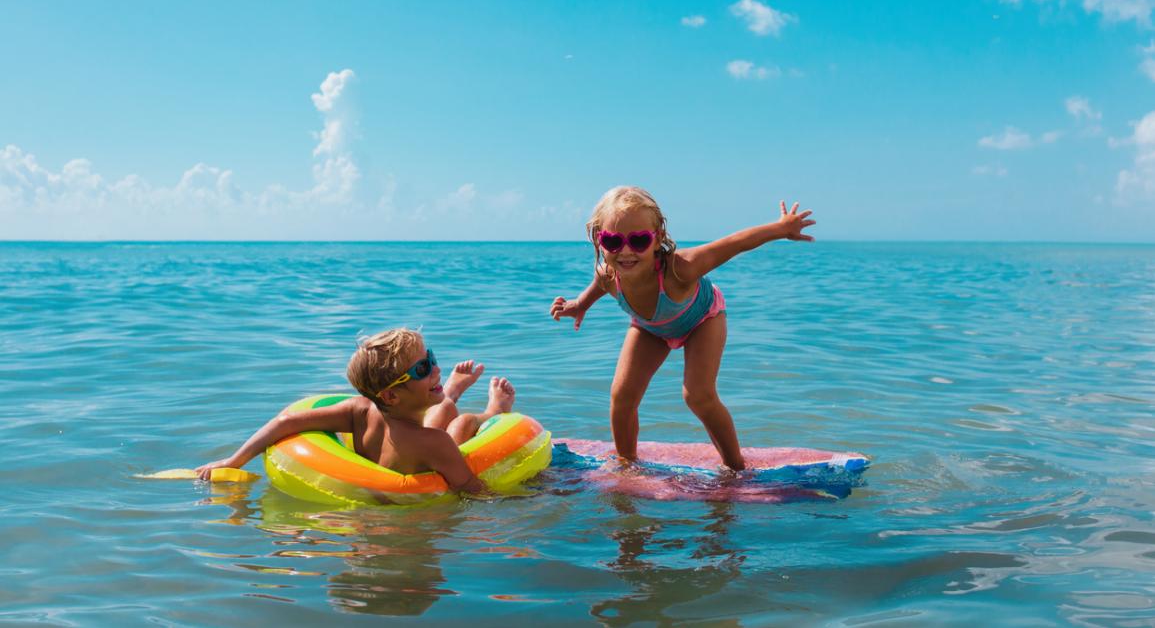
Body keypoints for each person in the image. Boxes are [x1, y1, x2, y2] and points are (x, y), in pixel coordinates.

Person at [549, 186, 815, 471]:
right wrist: (579, 305)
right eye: (613, 241)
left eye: (638, 240)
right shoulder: (608, 275)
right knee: (622, 395)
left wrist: (780, 229)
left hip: (703, 319)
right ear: (599, 240)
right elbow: (595, 289)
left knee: (698, 395)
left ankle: (736, 468)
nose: (625, 251)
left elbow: (734, 243)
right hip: (651, 327)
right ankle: (627, 465)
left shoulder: (681, 268)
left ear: (658, 238)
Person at [195, 328, 515, 494]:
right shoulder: (435, 444)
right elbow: (474, 492)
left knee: (443, 409)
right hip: (427, 462)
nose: (436, 368)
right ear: (390, 395)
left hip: (411, 438)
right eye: (422, 369)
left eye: (430, 357)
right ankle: (492, 412)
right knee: (461, 425)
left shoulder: (359, 411)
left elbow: (285, 422)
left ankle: (452, 394)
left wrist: (232, 461)